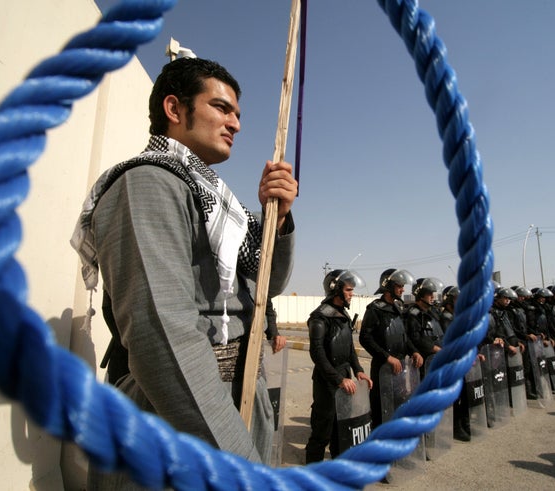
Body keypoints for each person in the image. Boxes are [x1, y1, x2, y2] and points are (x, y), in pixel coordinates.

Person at [71, 57, 298, 486]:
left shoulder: (217, 202)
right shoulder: (146, 185)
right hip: (178, 421)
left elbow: (268, 285)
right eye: (221, 108)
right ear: (175, 110)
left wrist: (278, 221)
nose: (235, 123)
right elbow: (163, 338)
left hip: (228, 406)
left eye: (238, 114)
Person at [305, 270, 373, 463]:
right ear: (335, 290)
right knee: (322, 430)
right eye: (349, 290)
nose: (352, 293)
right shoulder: (319, 317)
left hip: (345, 378)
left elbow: (350, 348)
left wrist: (358, 370)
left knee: (340, 427)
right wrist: (338, 379)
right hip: (327, 382)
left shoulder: (342, 314)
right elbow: (317, 353)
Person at [359, 268, 423, 429]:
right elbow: (365, 338)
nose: (403, 290)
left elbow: (403, 336)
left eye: (403, 286)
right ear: (388, 286)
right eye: (399, 286)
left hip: (400, 367)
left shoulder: (398, 307)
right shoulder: (374, 309)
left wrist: (414, 351)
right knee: (381, 407)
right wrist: (387, 357)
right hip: (383, 367)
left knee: (398, 403)